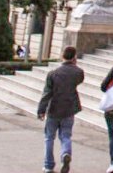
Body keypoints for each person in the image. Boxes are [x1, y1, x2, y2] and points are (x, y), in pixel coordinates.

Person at [37, 45, 85, 173]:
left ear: (62, 56)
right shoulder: (78, 72)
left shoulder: (53, 74)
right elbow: (78, 81)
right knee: (66, 135)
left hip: (53, 108)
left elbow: (47, 93)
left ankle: (48, 166)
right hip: (69, 108)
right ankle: (65, 153)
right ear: (74, 57)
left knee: (49, 138)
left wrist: (41, 109)